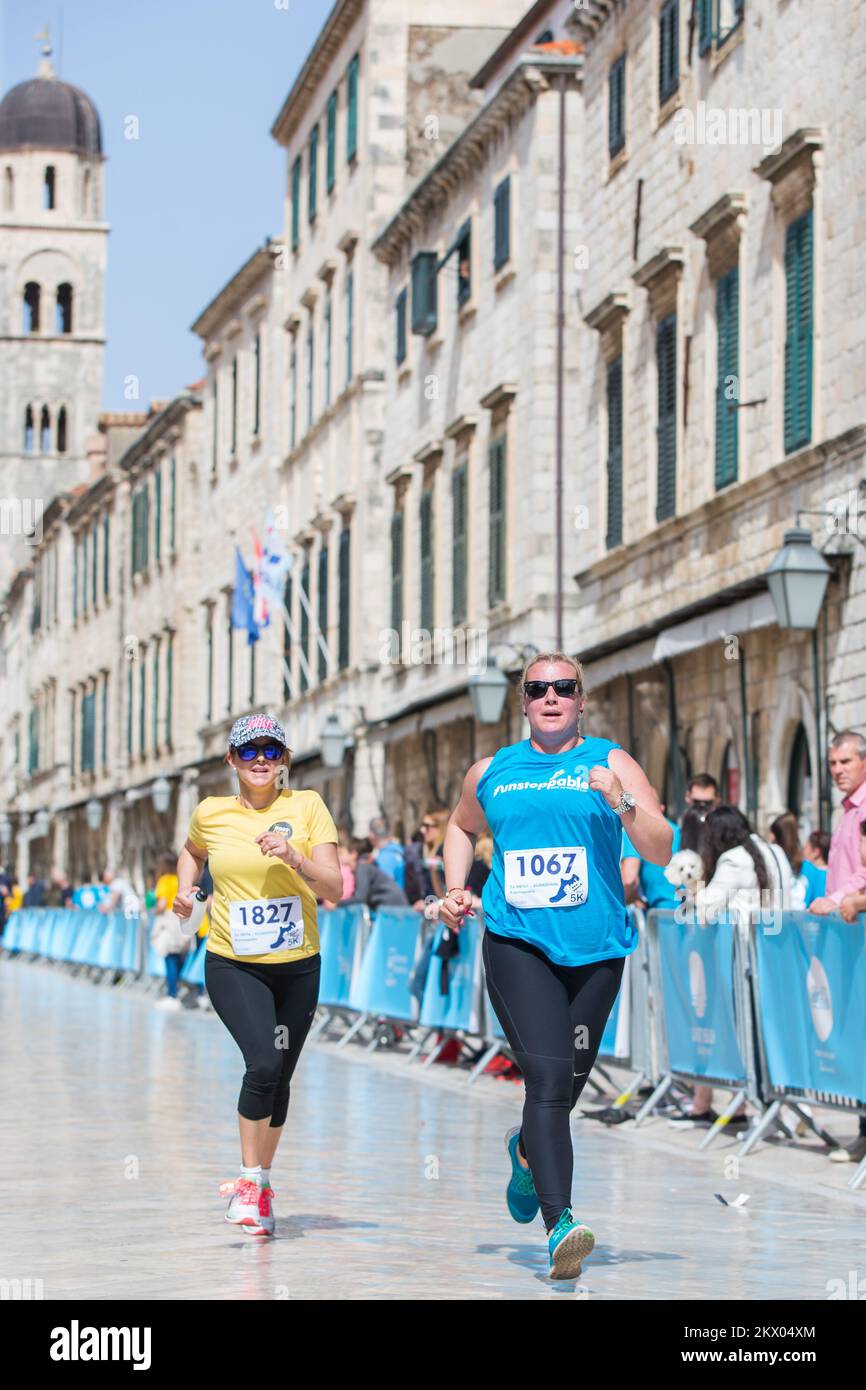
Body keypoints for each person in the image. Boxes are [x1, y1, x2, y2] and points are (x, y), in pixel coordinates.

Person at [438, 652, 672, 1279]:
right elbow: (461, 828)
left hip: (596, 950)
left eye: (563, 688)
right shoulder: (493, 770)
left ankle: (523, 1151)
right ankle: (561, 1224)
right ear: (522, 702)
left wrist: (622, 802)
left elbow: (662, 845)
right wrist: (458, 886)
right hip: (518, 943)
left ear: (580, 700)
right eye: (537, 689)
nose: (550, 698)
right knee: (546, 1081)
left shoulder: (610, 761)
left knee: (563, 1090)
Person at [174, 714, 341, 1237]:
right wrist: (186, 889)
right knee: (263, 1063)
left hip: (297, 963)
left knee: (281, 1077)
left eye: (272, 751)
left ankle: (262, 1184)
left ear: (285, 759)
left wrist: (295, 857)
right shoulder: (212, 812)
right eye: (249, 752)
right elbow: (192, 852)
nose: (261, 760)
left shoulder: (308, 806)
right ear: (232, 761)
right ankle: (248, 1181)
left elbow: (334, 887)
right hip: (233, 961)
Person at [675, 805, 790, 1130]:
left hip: (745, 960)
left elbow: (706, 910)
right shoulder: (775, 851)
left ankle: (751, 1101)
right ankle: (769, 1106)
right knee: (773, 1031)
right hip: (778, 952)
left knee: (747, 1033)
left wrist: (690, 892)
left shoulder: (733, 859)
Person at [806, 730, 866, 1165]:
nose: (838, 771)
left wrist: (848, 900)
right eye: (832, 764)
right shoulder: (848, 811)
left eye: (845, 762)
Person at [621, 790, 681, 910]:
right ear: (661, 808)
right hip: (689, 908)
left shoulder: (635, 830)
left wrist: (628, 899)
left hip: (662, 912)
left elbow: (629, 880)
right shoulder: (677, 830)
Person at [150, 853, 186, 1010]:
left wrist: (153, 911)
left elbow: (162, 903)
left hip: (168, 921)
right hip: (181, 920)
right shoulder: (180, 880)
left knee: (169, 957)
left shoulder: (164, 881)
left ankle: (172, 995)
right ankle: (177, 990)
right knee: (178, 957)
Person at [342, 837, 409, 912]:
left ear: (353, 854)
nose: (339, 856)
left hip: (395, 908)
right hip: (391, 907)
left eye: (341, 853)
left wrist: (337, 904)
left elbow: (360, 898)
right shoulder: (361, 868)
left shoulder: (362, 868)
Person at [404, 810, 448, 909]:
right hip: (430, 912)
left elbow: (444, 893)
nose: (422, 830)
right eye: (422, 825)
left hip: (442, 914)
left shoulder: (446, 852)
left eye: (427, 826)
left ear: (440, 828)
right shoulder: (424, 851)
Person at [368, 816, 406, 891]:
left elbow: (385, 886)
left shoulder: (385, 857)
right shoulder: (398, 850)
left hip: (392, 901)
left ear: (371, 835)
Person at [799, 830, 830, 906]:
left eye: (806, 846)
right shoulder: (832, 874)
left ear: (815, 852)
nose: (803, 850)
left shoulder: (807, 869)